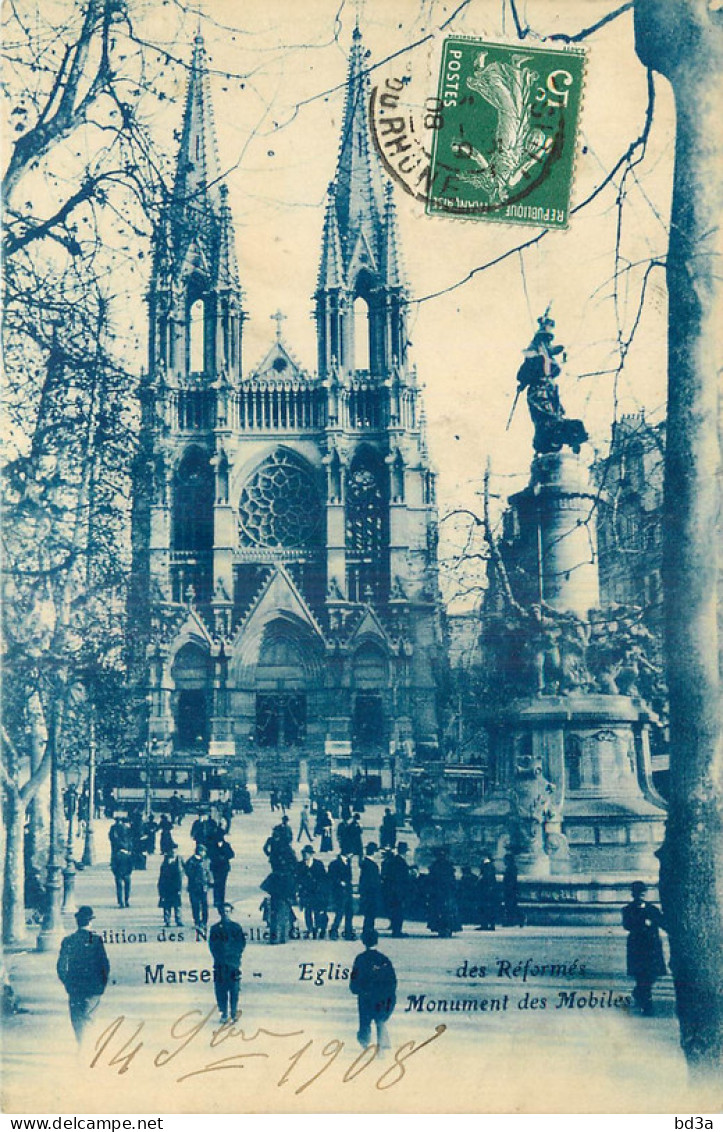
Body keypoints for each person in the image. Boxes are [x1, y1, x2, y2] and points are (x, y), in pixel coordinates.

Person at [56, 906, 110, 1043]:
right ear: (90, 922)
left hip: (75, 987)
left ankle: (81, 1045)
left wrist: (67, 982)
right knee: (89, 1018)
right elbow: (104, 965)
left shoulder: (68, 941)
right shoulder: (97, 940)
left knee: (77, 1019)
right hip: (93, 988)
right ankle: (88, 1048)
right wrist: (101, 985)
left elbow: (61, 966)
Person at [622, 881, 667, 1015]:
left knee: (652, 975)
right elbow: (627, 925)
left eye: (642, 892)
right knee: (641, 975)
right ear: (633, 894)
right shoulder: (627, 909)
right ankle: (647, 1005)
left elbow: (662, 922)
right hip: (637, 947)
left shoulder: (652, 909)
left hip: (652, 947)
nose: (640, 895)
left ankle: (638, 993)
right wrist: (643, 922)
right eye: (637, 893)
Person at [350, 929, 397, 1049]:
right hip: (382, 996)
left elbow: (355, 979)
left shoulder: (360, 959)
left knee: (364, 1022)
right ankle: (383, 1045)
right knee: (380, 1020)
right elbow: (392, 981)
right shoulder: (384, 959)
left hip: (365, 997)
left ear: (363, 941)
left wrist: (356, 989)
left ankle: (364, 1043)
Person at [208, 903, 246, 1023]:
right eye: (224, 911)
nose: (226, 914)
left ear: (231, 912)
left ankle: (233, 1012)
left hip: (233, 964)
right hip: (220, 964)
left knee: (234, 989)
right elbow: (212, 945)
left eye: (228, 911)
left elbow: (241, 943)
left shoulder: (236, 927)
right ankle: (224, 1013)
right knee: (220, 989)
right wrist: (218, 957)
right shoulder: (215, 928)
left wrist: (236, 956)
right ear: (220, 913)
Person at [426, 848, 460, 937]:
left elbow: (431, 880)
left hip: (441, 892)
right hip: (443, 892)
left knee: (442, 911)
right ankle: (445, 928)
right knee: (444, 911)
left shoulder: (436, 866)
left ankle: (443, 928)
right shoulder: (446, 866)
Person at [297, 845, 328, 937]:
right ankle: (310, 928)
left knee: (317, 911)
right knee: (307, 911)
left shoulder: (319, 864)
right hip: (306, 893)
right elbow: (298, 878)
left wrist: (321, 890)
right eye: (303, 853)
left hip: (317, 892)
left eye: (306, 853)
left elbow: (323, 878)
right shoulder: (300, 865)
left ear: (311, 854)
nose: (304, 855)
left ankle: (317, 927)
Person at [383, 841, 411, 937]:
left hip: (394, 890)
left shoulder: (394, 860)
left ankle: (397, 930)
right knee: (398, 911)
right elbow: (400, 877)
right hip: (398, 891)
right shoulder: (399, 861)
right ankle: (397, 931)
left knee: (396, 911)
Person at [184, 845, 213, 930]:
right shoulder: (191, 861)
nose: (203, 853)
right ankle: (197, 921)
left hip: (203, 886)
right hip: (194, 886)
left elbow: (208, 872)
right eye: (202, 851)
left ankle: (204, 922)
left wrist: (210, 881)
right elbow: (188, 871)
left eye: (204, 851)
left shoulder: (206, 861)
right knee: (195, 905)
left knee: (204, 905)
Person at [328, 851, 355, 940]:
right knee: (339, 913)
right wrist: (339, 882)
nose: (352, 855)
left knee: (349, 913)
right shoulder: (334, 864)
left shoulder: (348, 862)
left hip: (348, 892)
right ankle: (333, 931)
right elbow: (331, 877)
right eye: (351, 853)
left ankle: (348, 932)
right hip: (339, 893)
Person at [359, 842, 383, 935]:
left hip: (368, 892)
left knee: (370, 913)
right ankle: (368, 930)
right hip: (371, 893)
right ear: (374, 852)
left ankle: (368, 929)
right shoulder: (370, 864)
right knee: (370, 912)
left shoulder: (366, 863)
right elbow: (372, 880)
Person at [158, 847, 184, 927]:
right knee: (167, 905)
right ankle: (167, 920)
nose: (173, 853)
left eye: (175, 852)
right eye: (172, 852)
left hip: (176, 886)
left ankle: (178, 920)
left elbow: (183, 870)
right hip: (167, 887)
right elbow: (161, 876)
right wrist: (161, 889)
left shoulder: (179, 860)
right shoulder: (165, 863)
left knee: (177, 905)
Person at [209, 833, 235, 910]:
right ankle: (216, 900)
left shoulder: (226, 845)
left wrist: (224, 856)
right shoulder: (212, 845)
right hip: (215, 867)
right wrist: (217, 857)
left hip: (224, 868)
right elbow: (210, 854)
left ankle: (221, 900)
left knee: (222, 884)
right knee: (216, 884)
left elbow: (232, 854)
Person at [476, 855, 499, 931]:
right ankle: (489, 924)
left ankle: (485, 924)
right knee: (489, 908)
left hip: (486, 892)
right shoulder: (490, 868)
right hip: (489, 892)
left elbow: (485, 880)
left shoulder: (487, 869)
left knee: (485, 908)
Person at [503, 852, 524, 927]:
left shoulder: (511, 868)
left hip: (510, 890)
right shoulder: (511, 868)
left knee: (510, 905)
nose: (504, 862)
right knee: (511, 905)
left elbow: (511, 880)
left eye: (505, 860)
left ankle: (518, 918)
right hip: (510, 889)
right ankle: (513, 920)